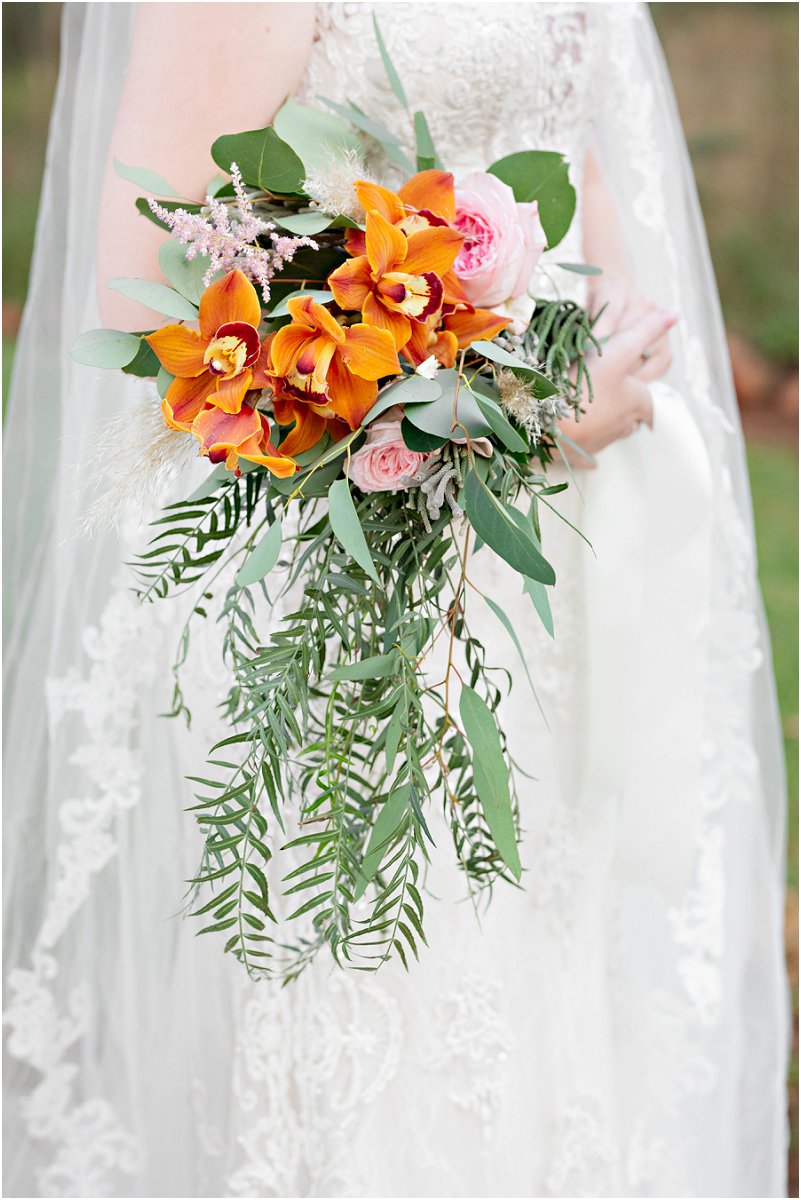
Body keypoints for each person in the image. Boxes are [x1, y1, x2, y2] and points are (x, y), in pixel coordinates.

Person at [3, 4, 789, 1196]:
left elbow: (574, 147)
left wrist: (614, 333)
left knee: (572, 1013)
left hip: (568, 551)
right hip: (362, 582)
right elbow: (150, 275)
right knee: (397, 1025)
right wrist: (503, 420)